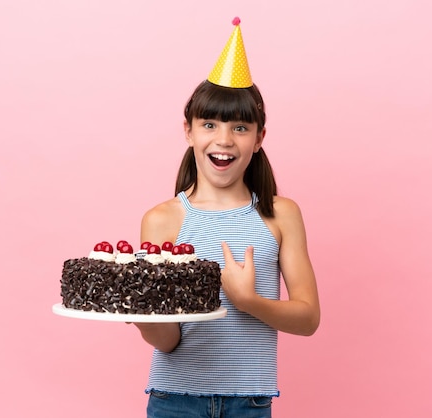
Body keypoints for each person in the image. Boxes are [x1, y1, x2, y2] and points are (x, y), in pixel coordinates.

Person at [134, 18, 320, 418]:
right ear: (189, 132)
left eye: (239, 127)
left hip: (249, 401)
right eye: (209, 124)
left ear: (259, 138)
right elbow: (167, 341)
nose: (223, 139)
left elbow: (307, 319)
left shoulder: (280, 214)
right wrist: (142, 317)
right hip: (174, 399)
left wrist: (247, 301)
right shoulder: (162, 220)